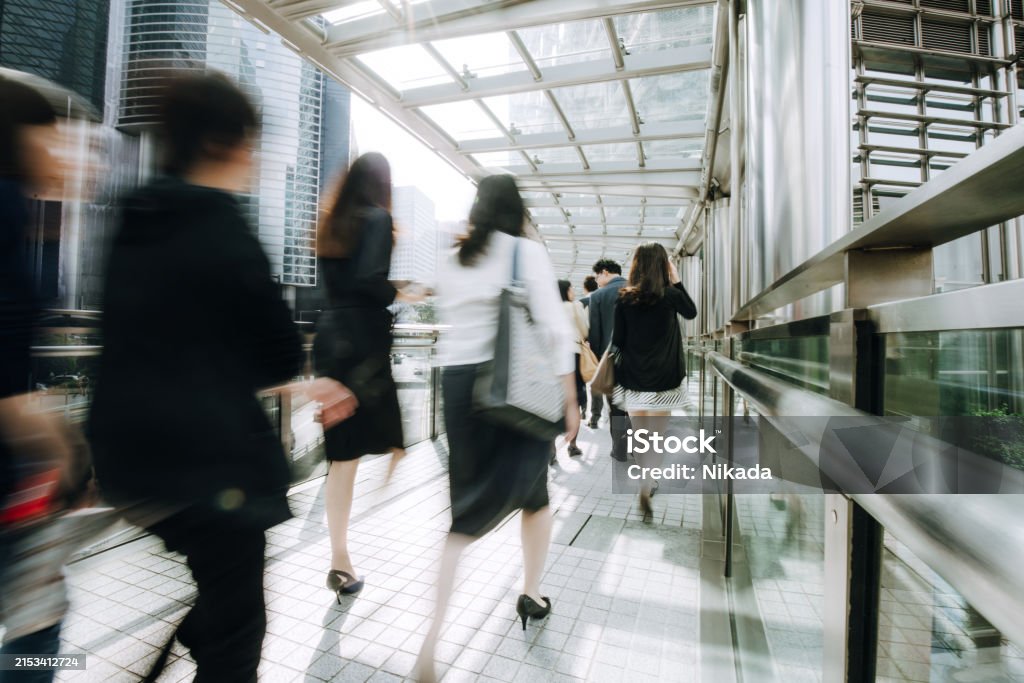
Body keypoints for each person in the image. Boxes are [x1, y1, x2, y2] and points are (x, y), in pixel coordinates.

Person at [87, 73, 355, 682]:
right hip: (208, 468)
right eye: (249, 142)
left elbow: (169, 339)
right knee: (237, 631)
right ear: (219, 144)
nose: (255, 158)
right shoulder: (223, 226)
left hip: (128, 458)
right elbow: (275, 352)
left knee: (222, 598)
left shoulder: (135, 214)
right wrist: (305, 378)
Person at [416, 175, 578, 682]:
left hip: (461, 391)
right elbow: (554, 329)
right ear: (517, 209)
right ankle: (530, 593)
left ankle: (434, 639)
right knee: (534, 494)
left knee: (469, 511)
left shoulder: (455, 258)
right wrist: (570, 398)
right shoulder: (524, 253)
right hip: (514, 389)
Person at [315, 152, 425, 600]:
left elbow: (342, 282)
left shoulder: (332, 222)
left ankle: (339, 559)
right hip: (363, 343)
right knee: (395, 443)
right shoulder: (378, 219)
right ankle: (375, 511)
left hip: (331, 339)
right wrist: (405, 291)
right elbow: (370, 281)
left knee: (342, 459)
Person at [610, 243, 696, 520]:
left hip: (634, 379)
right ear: (662, 266)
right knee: (657, 437)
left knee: (641, 435)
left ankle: (643, 481)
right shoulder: (670, 296)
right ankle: (649, 483)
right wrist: (677, 279)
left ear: (635, 265)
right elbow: (691, 312)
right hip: (665, 380)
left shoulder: (624, 298)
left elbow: (618, 342)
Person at [587, 259, 630, 457]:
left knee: (616, 407)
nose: (596, 281)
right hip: (639, 359)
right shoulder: (637, 288)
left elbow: (595, 333)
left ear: (604, 272)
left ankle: (619, 449)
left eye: (597, 276)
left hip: (611, 358)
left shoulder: (598, 296)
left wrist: (598, 361)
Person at [558, 279, 588, 457]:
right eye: (571, 288)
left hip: (553, 356)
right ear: (566, 291)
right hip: (572, 354)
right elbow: (584, 330)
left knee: (555, 400)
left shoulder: (549, 307)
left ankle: (551, 448)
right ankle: (573, 445)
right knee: (574, 399)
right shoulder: (574, 306)